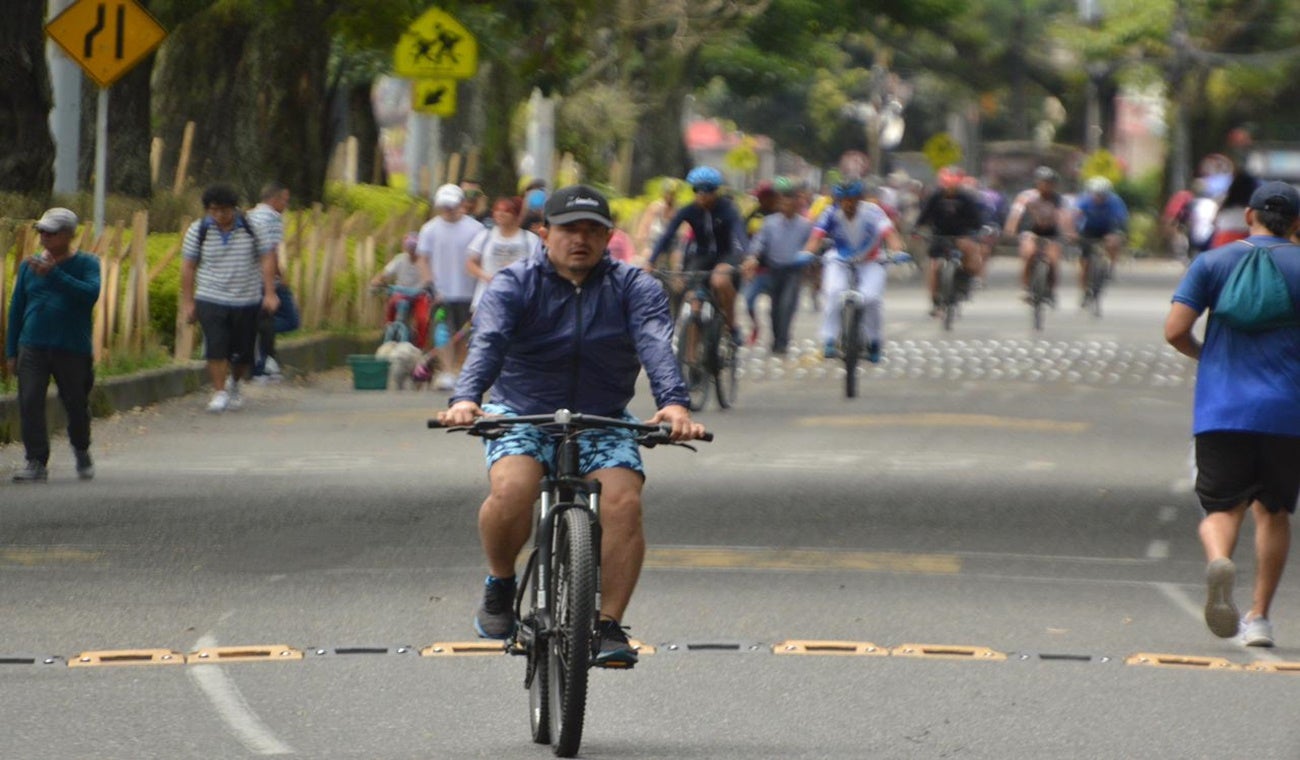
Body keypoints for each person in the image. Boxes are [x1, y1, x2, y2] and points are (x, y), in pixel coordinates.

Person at [437, 184, 706, 668]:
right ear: (544, 234)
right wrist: (465, 399)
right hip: (523, 411)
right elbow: (489, 342)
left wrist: (674, 405)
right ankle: (500, 583)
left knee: (623, 501)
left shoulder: (634, 286)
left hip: (602, 416)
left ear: (608, 238)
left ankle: (606, 625)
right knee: (513, 488)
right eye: (568, 230)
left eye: (592, 231)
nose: (580, 239)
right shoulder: (513, 283)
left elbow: (654, 344)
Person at [1164, 180, 1300, 648]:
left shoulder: (1214, 261)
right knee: (1274, 511)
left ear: (1249, 215)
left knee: (1222, 508)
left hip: (1222, 409)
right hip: (1288, 411)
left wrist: (1209, 356)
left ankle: (1220, 558)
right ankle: (1260, 618)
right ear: (1298, 223)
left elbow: (1175, 331)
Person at [6, 208, 101, 482]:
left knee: (75, 402)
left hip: (72, 347)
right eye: (42, 232)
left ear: (69, 235)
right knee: (30, 401)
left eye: (52, 232)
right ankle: (36, 460)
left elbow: (89, 295)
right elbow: (17, 309)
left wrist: (55, 275)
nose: (45, 237)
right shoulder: (29, 266)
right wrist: (11, 350)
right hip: (32, 345)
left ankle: (81, 448)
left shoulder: (87, 264)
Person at [181, 185, 279, 413]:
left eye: (224, 211)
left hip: (247, 298)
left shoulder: (253, 228)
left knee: (243, 351)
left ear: (234, 209)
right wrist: (188, 302)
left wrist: (270, 293)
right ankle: (219, 391)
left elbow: (267, 259)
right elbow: (188, 267)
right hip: (210, 296)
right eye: (213, 211)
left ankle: (234, 382)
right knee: (216, 345)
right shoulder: (198, 231)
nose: (218, 216)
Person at [803, 180, 904, 362]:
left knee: (871, 298)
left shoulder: (873, 212)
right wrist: (806, 253)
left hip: (871, 261)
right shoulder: (830, 213)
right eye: (843, 200)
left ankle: (874, 341)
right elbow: (816, 237)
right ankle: (829, 339)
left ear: (860, 199)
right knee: (833, 292)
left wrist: (897, 251)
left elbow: (889, 234)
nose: (848, 205)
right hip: (840, 260)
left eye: (852, 200)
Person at [648, 166, 748, 342]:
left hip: (726, 255)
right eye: (697, 190)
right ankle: (691, 359)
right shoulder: (689, 210)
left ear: (716, 191)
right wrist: (651, 261)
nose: (702, 194)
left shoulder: (728, 209)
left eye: (708, 190)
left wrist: (749, 257)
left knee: (720, 279)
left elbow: (740, 233)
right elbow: (667, 235)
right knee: (693, 300)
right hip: (701, 256)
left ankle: (732, 325)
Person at [417, 183, 485, 390]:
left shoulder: (476, 228)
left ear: (461, 204)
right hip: (441, 292)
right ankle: (446, 370)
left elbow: (482, 258)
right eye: (444, 206)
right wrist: (429, 283)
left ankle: (460, 370)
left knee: (465, 333)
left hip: (469, 291)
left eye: (452, 205)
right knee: (442, 332)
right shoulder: (430, 229)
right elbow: (422, 258)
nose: (448, 210)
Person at [744, 178, 813, 355]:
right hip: (774, 270)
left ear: (796, 203)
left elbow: (811, 246)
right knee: (774, 307)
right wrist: (753, 257)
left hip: (793, 271)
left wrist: (810, 264)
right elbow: (760, 242)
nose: (786, 205)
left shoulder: (804, 225)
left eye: (790, 201)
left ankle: (783, 340)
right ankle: (776, 339)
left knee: (787, 305)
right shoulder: (770, 223)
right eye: (783, 201)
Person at [913, 167, 985, 316]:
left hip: (961, 234)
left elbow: (977, 220)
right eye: (947, 185)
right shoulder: (935, 197)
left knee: (971, 251)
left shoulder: (966, 198)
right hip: (939, 235)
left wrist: (978, 230)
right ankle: (935, 301)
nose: (950, 189)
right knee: (933, 266)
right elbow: (924, 216)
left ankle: (967, 279)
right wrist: (917, 229)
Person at [245, 182, 294, 381]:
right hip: (265, 279)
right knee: (288, 319)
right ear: (274, 200)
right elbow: (270, 250)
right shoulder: (273, 218)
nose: (286, 205)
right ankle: (260, 365)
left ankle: (265, 362)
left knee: (266, 321)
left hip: (250, 277)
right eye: (284, 201)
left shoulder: (250, 215)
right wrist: (278, 277)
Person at [1004, 166, 1071, 300]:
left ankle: (1051, 289)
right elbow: (1015, 214)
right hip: (1030, 231)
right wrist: (1010, 229)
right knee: (1029, 253)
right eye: (1043, 182)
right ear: (1037, 182)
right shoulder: (1026, 196)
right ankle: (1026, 287)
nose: (1046, 185)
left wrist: (1069, 232)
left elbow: (1064, 216)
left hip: (1051, 233)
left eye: (1050, 183)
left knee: (1053, 258)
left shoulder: (1058, 199)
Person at [465, 196, 541, 309]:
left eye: (506, 211)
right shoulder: (485, 235)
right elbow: (470, 264)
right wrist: (486, 276)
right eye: (497, 210)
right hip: (487, 298)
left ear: (516, 215)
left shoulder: (529, 239)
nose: (500, 214)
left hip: (519, 299)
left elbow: (539, 266)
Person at [1073, 176, 1129, 306]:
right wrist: (1074, 233)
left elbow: (1121, 221)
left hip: (1107, 229)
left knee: (1114, 242)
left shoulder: (1115, 202)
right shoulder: (1084, 200)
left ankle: (1110, 267)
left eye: (1103, 195)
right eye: (1096, 194)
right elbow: (1075, 216)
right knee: (1084, 263)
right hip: (1088, 229)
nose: (1099, 197)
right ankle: (1084, 291)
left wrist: (1119, 234)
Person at [371, 232, 434, 347]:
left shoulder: (424, 261)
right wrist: (377, 281)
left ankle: (420, 347)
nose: (412, 250)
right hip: (401, 293)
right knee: (391, 306)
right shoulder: (399, 259)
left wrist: (427, 286)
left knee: (422, 319)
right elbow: (384, 273)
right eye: (409, 247)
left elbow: (430, 278)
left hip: (419, 294)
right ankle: (388, 332)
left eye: (414, 247)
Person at [741, 181, 780, 346]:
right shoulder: (753, 215)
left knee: (777, 307)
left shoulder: (779, 216)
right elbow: (742, 236)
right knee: (748, 301)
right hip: (757, 268)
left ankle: (778, 336)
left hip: (776, 268)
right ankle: (755, 326)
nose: (763, 200)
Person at [636, 178, 680, 267]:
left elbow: (682, 231)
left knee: (676, 260)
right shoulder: (655, 207)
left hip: (670, 246)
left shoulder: (677, 210)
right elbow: (644, 227)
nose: (670, 196)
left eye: (672, 194)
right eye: (668, 193)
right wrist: (643, 246)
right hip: (653, 244)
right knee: (647, 258)